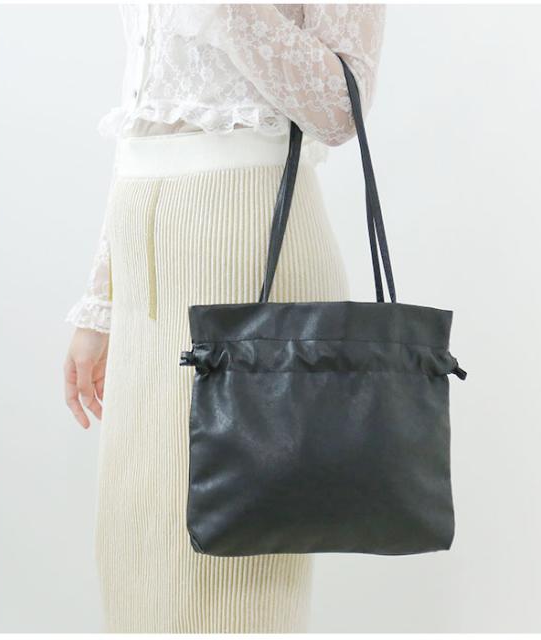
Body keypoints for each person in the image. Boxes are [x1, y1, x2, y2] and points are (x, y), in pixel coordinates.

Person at [63, 4, 386, 633]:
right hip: (141, 238)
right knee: (137, 545)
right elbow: (144, 116)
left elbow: (341, 111)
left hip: (247, 234)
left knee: (234, 572)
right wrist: (100, 304)